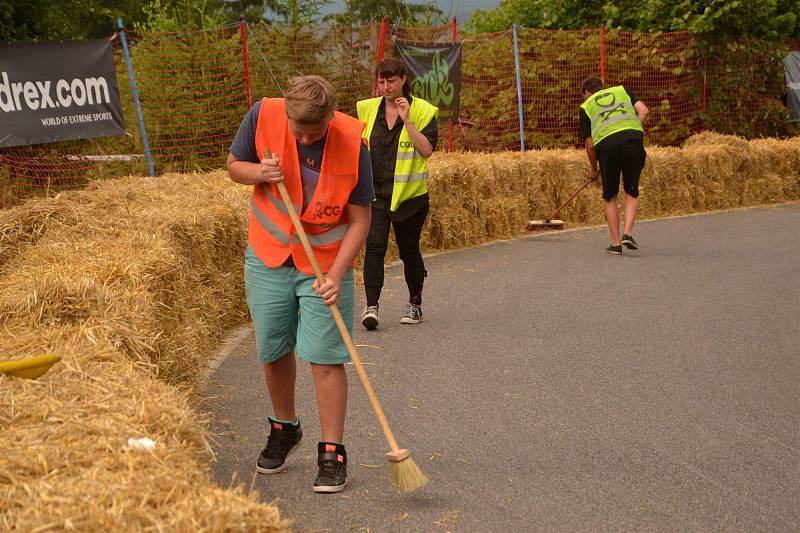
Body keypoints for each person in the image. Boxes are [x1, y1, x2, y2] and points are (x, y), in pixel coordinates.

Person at [226, 75, 374, 493]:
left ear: (332, 116)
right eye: (299, 130)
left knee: (326, 356)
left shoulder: (353, 143)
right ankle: (285, 427)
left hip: (326, 264)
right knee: (273, 348)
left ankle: (332, 451)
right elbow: (234, 167)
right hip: (269, 255)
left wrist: (337, 275)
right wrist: (259, 171)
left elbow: (361, 219)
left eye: (316, 131)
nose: (306, 138)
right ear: (287, 114)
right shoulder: (262, 115)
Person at [356, 57, 439, 330]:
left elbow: (426, 150)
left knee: (408, 251)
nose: (385, 86)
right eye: (381, 81)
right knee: (375, 248)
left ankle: (415, 303)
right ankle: (371, 307)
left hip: (410, 198)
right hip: (375, 195)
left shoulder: (424, 111)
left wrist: (408, 121)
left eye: (391, 80)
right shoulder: (366, 109)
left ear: (403, 78)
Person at [579, 76, 649, 254]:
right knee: (631, 190)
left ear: (587, 93)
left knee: (610, 195)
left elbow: (590, 144)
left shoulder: (586, 106)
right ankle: (628, 234)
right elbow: (644, 111)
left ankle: (616, 243)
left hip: (608, 148)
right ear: (603, 86)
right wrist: (632, 128)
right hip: (633, 141)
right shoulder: (621, 90)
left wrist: (594, 169)